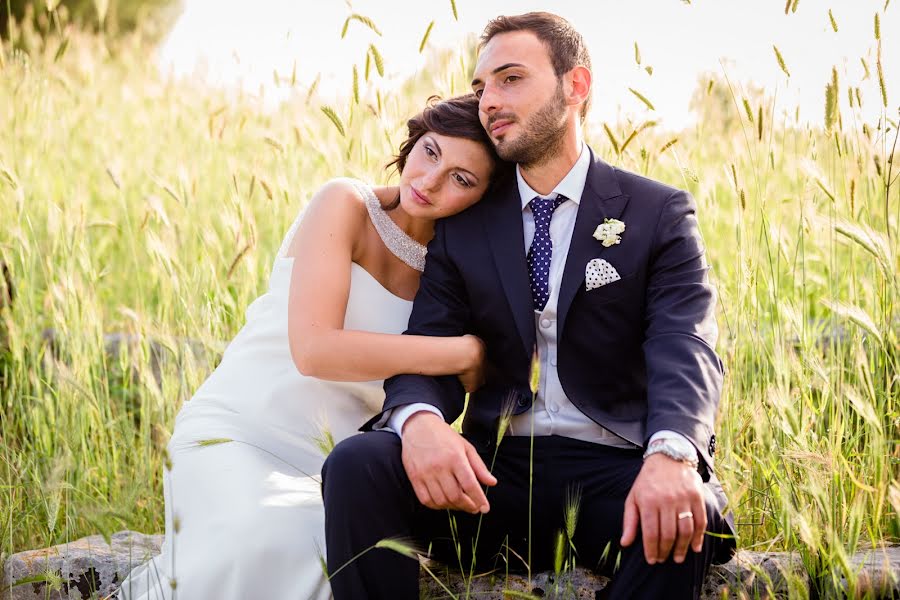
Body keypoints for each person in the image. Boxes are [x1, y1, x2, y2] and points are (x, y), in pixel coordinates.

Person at [323, 12, 737, 600]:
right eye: (480, 87)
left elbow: (685, 342)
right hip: (493, 474)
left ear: (577, 86)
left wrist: (673, 455)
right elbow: (430, 340)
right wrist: (420, 423)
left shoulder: (656, 213)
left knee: (677, 517)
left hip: (615, 474)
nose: (489, 100)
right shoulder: (465, 226)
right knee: (358, 465)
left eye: (510, 78)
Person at [116, 94, 508, 600]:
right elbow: (315, 350)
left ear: (485, 198)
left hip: (330, 472)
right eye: (430, 152)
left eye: (461, 178)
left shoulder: (457, 272)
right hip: (238, 433)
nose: (429, 180)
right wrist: (461, 353)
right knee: (264, 538)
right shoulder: (345, 202)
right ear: (413, 142)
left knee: (336, 549)